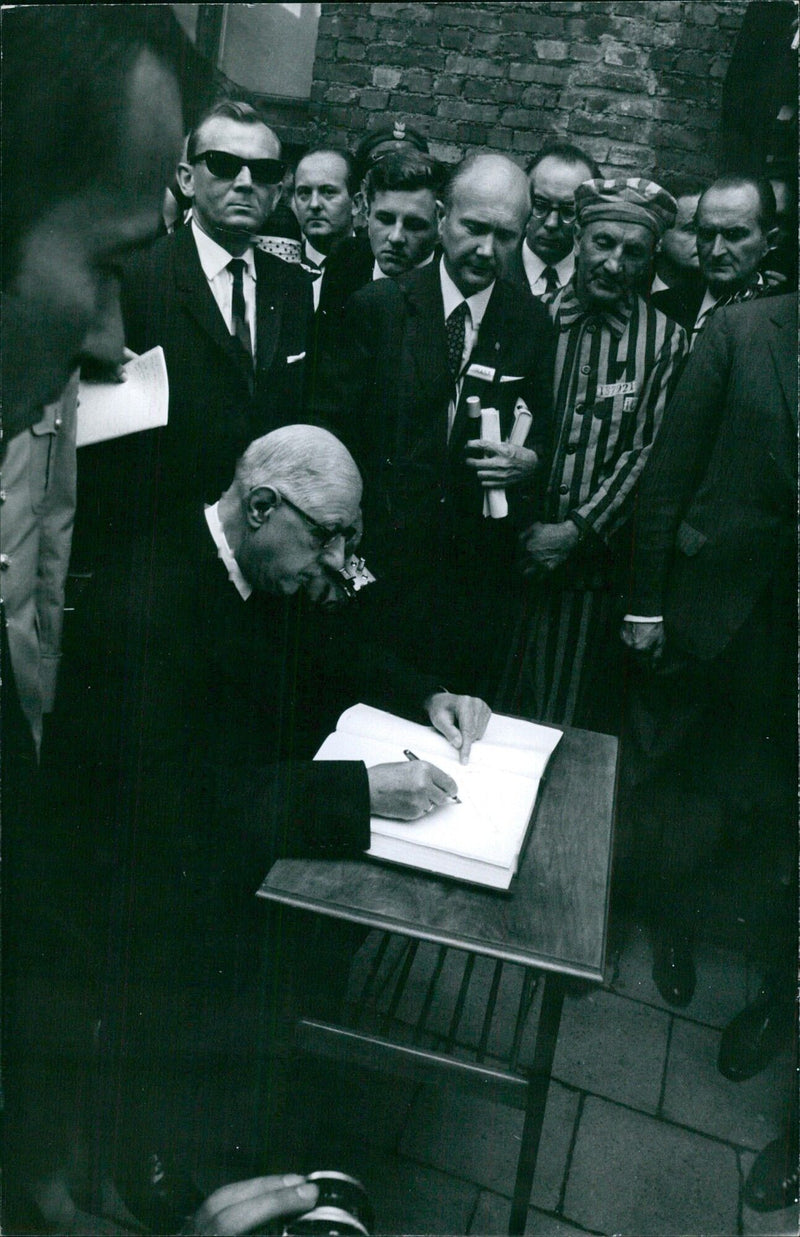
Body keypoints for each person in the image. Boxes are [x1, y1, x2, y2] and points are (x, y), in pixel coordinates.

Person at [52, 424, 491, 1220]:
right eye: (327, 537)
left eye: (349, 538)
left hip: (213, 847)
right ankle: (143, 1147)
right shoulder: (146, 599)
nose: (336, 561)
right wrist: (360, 795)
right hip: (130, 892)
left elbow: (334, 654)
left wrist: (428, 693)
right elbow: (175, 807)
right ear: (261, 506)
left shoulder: (254, 567)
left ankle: (257, 1093)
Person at [313, 152, 554, 700]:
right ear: (444, 217)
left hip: (471, 586)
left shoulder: (531, 325)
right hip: (379, 577)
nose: (487, 250)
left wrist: (529, 459)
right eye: (474, 228)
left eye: (507, 236)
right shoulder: (378, 308)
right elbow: (331, 434)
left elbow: (543, 430)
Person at [620, 296, 797, 1020]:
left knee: (743, 785)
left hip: (787, 625)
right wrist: (645, 603)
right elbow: (671, 468)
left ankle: (686, 918)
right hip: (711, 598)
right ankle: (634, 910)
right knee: (661, 765)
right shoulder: (746, 330)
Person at [77, 98, 314, 557]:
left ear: (279, 189)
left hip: (258, 551)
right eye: (224, 165)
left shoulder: (294, 288)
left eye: (263, 172)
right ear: (186, 179)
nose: (245, 183)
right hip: (151, 548)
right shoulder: (133, 280)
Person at [509, 178, 687, 731]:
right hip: (506, 558)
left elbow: (647, 453)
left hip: (588, 576)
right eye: (603, 243)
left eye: (633, 252)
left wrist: (574, 533)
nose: (614, 263)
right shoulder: (526, 315)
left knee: (559, 723)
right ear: (578, 241)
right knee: (486, 701)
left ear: (651, 259)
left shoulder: (666, 341)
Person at [308, 150, 442, 377]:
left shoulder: (448, 278)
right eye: (385, 219)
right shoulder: (346, 262)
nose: (396, 237)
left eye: (414, 224)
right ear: (367, 211)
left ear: (440, 223)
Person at [651, 175, 778, 343]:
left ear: (768, 242)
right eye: (706, 234)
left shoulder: (787, 315)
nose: (716, 251)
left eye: (734, 235)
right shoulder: (660, 307)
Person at [507, 140, 602, 303]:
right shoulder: (495, 268)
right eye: (540, 205)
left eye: (568, 211)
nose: (551, 223)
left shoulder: (597, 282)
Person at [291, 147, 360, 308]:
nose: (314, 204)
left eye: (328, 192)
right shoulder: (282, 268)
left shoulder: (375, 265)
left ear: (357, 204)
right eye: (304, 193)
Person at [648, 174, 705, 296]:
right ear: (658, 237)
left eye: (707, 230)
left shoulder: (730, 300)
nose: (703, 240)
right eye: (691, 229)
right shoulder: (631, 295)